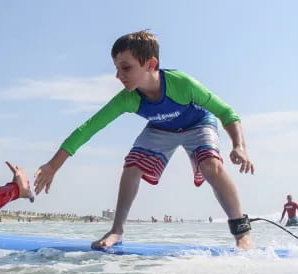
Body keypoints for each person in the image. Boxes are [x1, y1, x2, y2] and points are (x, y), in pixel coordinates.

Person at [34, 30, 254, 250]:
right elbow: (88, 129)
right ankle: (116, 231)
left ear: (151, 64)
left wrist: (239, 146)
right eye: (117, 68)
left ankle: (242, 232)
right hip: (160, 128)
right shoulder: (128, 99)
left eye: (126, 67)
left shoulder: (182, 84)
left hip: (197, 123)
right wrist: (53, 166)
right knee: (132, 166)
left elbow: (227, 113)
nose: (118, 75)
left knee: (210, 165)